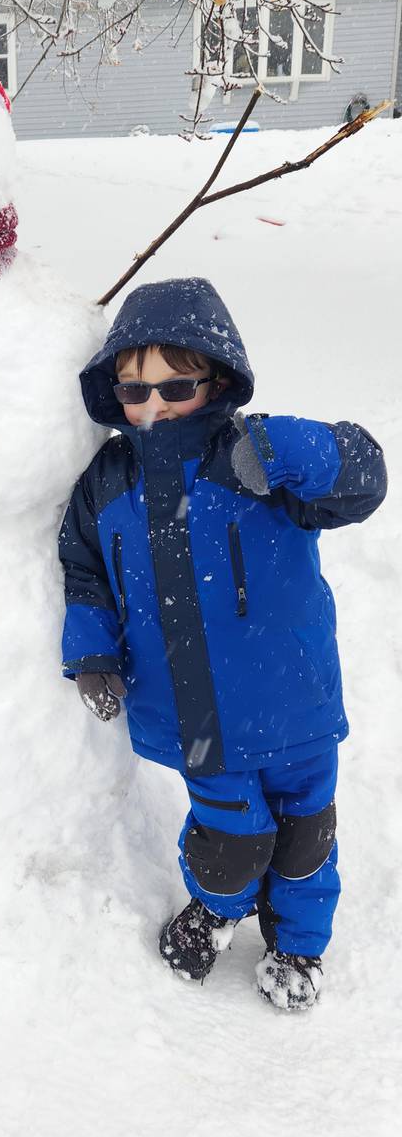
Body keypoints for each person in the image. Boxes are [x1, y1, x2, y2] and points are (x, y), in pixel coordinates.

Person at [58, 277, 387, 1011]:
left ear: (216, 377)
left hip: (293, 700)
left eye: (175, 385)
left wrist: (288, 449)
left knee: (305, 839)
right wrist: (93, 652)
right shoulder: (110, 480)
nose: (153, 406)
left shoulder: (255, 453)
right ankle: (218, 904)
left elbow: (366, 476)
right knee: (229, 838)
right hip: (194, 712)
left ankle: (299, 944)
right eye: (135, 389)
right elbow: (83, 567)